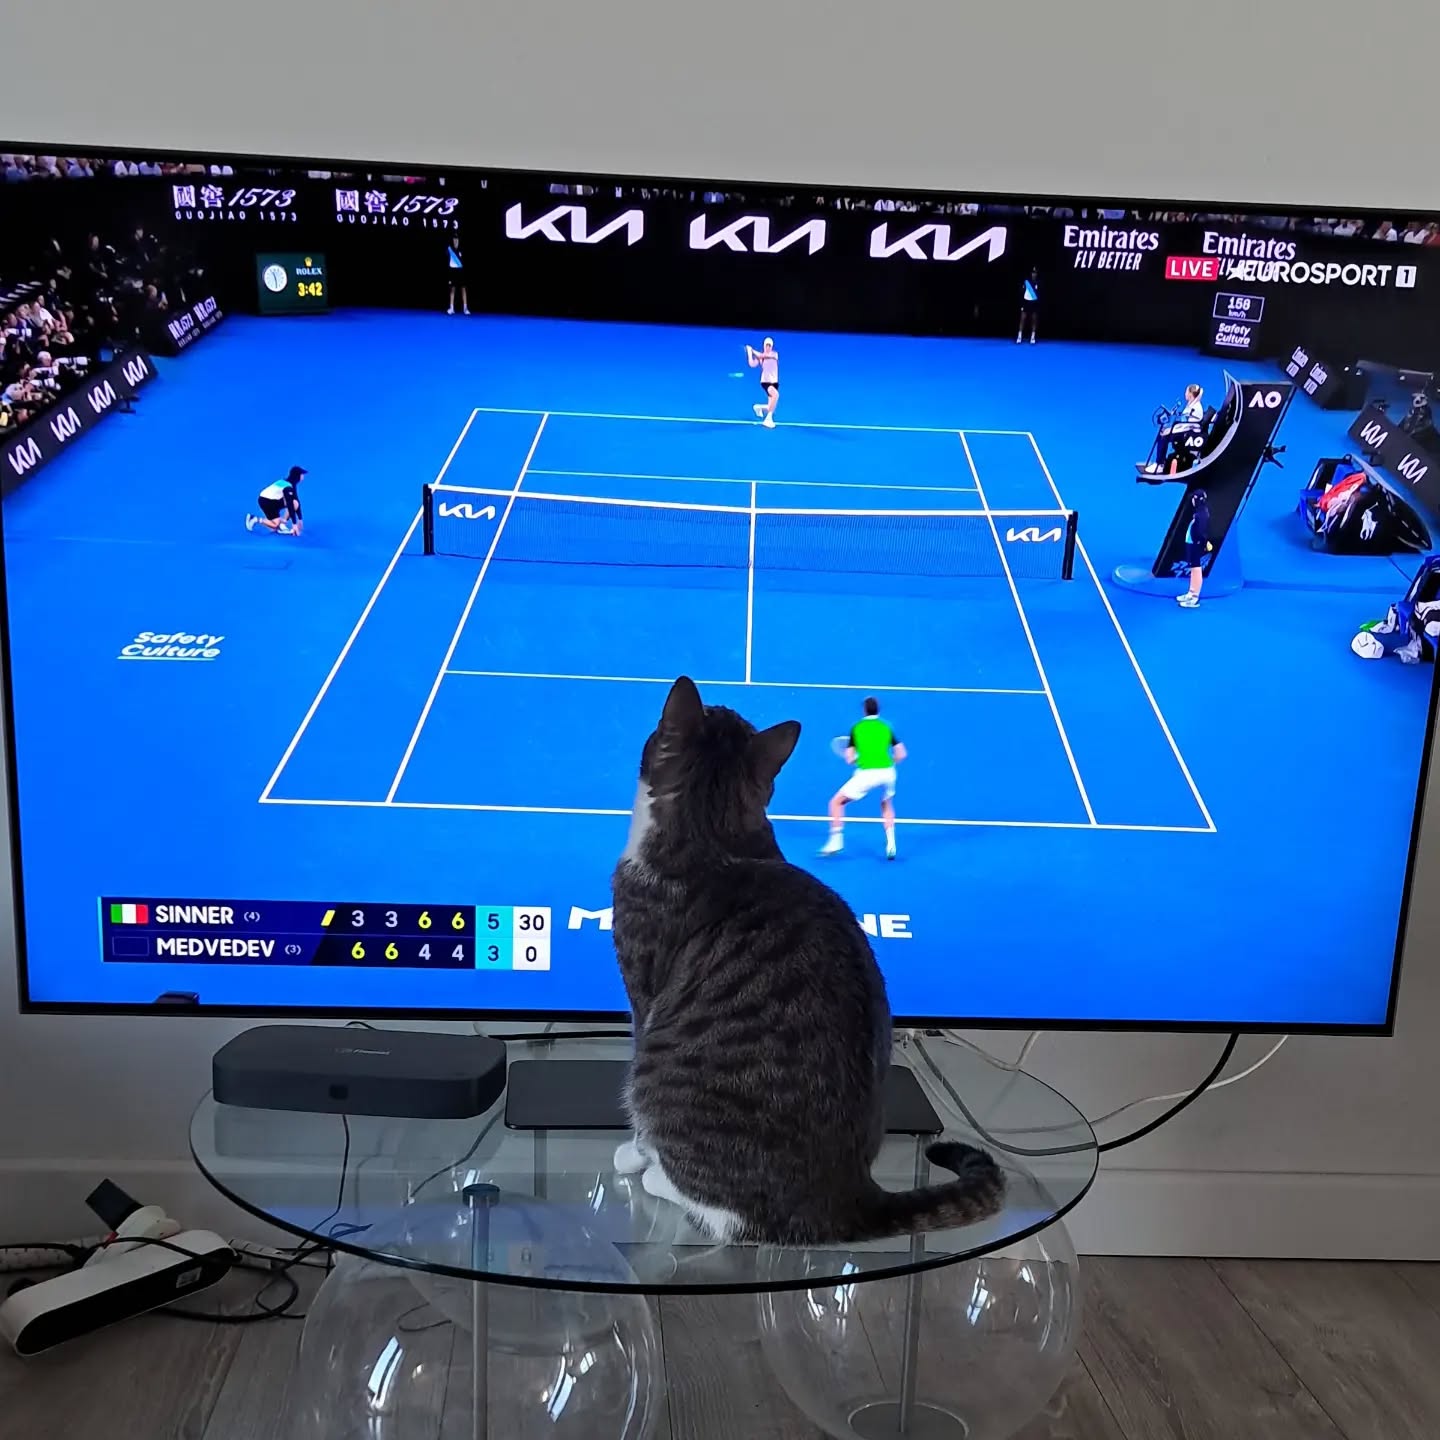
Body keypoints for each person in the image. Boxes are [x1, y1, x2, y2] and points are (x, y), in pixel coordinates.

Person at [821, 697, 907, 860]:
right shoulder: (886, 727)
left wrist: (858, 759)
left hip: (867, 774)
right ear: (878, 710)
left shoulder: (857, 728)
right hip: (888, 773)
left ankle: (836, 841)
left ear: (864, 711)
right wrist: (890, 762)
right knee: (886, 804)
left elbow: (849, 759)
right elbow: (901, 754)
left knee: (836, 802)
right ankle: (891, 843)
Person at [246, 466, 307, 537]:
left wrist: (300, 519)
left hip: (273, 500)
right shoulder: (288, 488)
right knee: (274, 526)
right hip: (266, 502)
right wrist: (294, 524)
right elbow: (290, 504)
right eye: (302, 474)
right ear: (297, 476)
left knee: (295, 503)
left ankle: (282, 525)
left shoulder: (290, 483)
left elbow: (296, 500)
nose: (303, 476)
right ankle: (254, 519)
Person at [1177, 487, 1211, 609]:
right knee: (1193, 570)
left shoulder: (1202, 514)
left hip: (1196, 545)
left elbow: (1201, 532)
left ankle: (1194, 598)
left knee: (1196, 570)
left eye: (1193, 498)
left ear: (1196, 500)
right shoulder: (1198, 512)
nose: (1191, 500)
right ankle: (1190, 593)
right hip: (1192, 544)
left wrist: (1201, 543)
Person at [746, 336, 779, 428]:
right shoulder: (760, 357)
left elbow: (761, 355)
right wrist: (749, 353)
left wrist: (752, 350)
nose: (768, 347)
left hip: (775, 382)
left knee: (771, 406)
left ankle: (758, 408)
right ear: (764, 346)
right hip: (765, 382)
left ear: (771, 347)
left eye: (769, 345)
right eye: (766, 345)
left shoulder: (774, 354)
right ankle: (768, 420)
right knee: (776, 395)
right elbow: (752, 364)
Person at [445, 229, 469, 315]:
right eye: (454, 239)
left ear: (459, 240)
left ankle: (465, 308)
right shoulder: (449, 249)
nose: (455, 241)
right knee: (452, 289)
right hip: (452, 271)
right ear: (452, 240)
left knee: (463, 289)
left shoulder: (462, 249)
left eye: (457, 239)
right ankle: (451, 308)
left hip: (461, 271)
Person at [1017, 268, 1041, 344]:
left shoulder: (1039, 283)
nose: (1034, 274)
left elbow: (1040, 294)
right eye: (1033, 273)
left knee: (1034, 320)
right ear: (1031, 274)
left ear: (1037, 274)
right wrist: (1021, 304)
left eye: (1035, 273)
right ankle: (1019, 336)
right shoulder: (1026, 282)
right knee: (1022, 319)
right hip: (1025, 302)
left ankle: (1032, 337)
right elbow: (1021, 293)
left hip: (1034, 303)